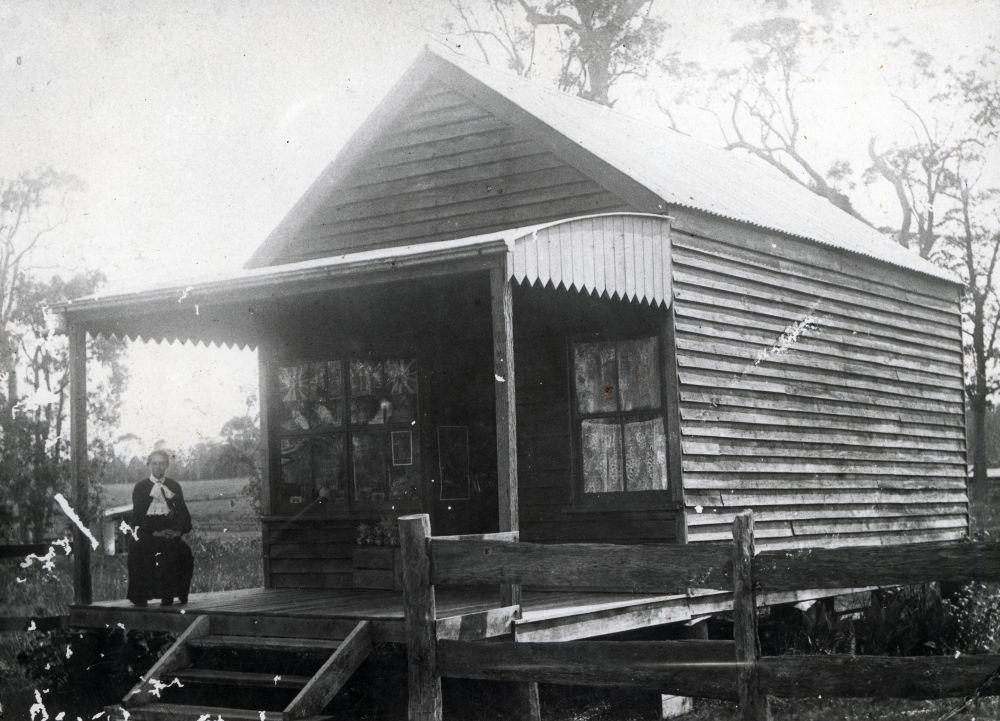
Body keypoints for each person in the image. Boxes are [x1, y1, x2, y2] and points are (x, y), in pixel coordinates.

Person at [127, 450, 194, 607]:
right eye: (154, 463)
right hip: (147, 534)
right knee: (140, 550)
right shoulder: (141, 487)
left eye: (162, 463)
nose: (158, 467)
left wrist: (177, 531)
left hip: (169, 535)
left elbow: (183, 514)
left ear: (167, 465)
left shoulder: (174, 486)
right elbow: (138, 516)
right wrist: (154, 532)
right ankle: (141, 597)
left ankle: (170, 595)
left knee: (183, 552)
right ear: (149, 465)